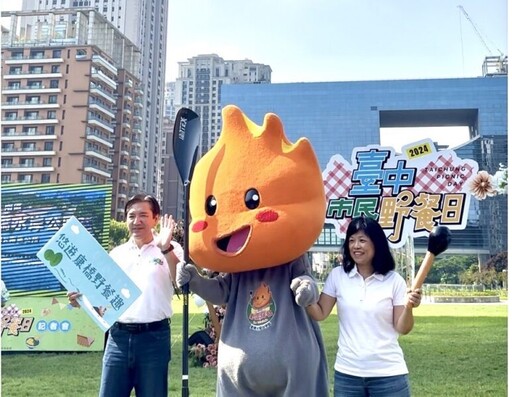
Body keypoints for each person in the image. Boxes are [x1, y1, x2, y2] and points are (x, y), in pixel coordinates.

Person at [68, 193, 183, 397]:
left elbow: (180, 283)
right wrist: (81, 300)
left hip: (154, 338)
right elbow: (102, 300)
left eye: (143, 215)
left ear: (155, 218)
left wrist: (165, 248)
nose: (136, 221)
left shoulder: (171, 249)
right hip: (117, 338)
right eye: (131, 216)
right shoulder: (116, 254)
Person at [304, 216, 422, 397]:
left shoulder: (394, 280)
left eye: (362, 240)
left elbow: (402, 328)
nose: (355, 246)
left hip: (388, 375)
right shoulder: (337, 276)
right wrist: (305, 297)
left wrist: (409, 307)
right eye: (351, 240)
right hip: (348, 374)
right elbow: (320, 313)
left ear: (377, 244)